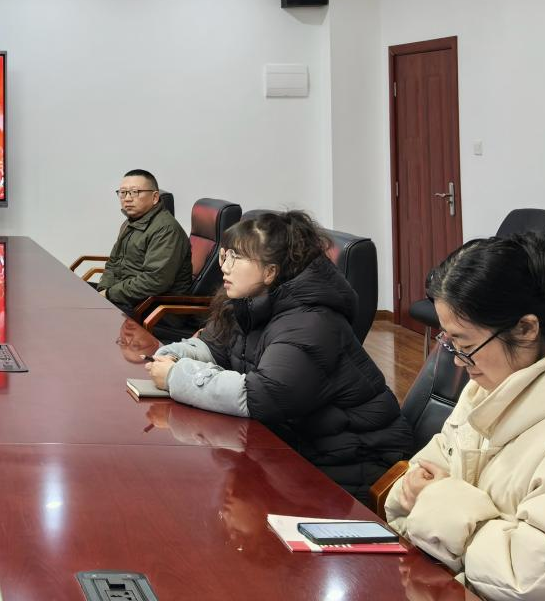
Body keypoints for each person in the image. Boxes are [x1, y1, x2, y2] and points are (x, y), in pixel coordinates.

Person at [146, 211, 412, 503]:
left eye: (236, 257)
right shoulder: (249, 302)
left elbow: (262, 396)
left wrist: (176, 375)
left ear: (270, 272)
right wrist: (171, 355)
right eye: (225, 255)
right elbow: (214, 347)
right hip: (295, 446)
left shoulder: (311, 322)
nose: (225, 267)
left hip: (350, 463)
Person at [385, 234, 545, 600]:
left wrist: (435, 503)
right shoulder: (487, 387)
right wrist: (428, 500)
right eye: (450, 344)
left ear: (526, 329)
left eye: (465, 346)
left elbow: (534, 577)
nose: (456, 361)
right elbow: (407, 493)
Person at [95, 169, 192, 315]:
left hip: (153, 309)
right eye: (123, 192)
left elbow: (155, 281)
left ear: (155, 197)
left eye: (135, 192)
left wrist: (109, 294)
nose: (127, 198)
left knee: (79, 313)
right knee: (73, 296)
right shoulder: (131, 222)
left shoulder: (166, 230)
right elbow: (113, 262)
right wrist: (103, 289)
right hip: (126, 298)